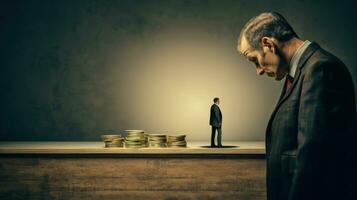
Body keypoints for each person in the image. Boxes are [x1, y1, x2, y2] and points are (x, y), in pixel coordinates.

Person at [237, 12, 357, 200]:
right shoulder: (300, 72)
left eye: (254, 60)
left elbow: (313, 161)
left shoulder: (320, 69)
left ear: (268, 44)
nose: (259, 71)